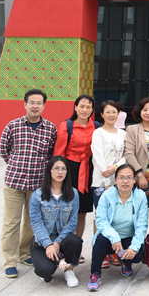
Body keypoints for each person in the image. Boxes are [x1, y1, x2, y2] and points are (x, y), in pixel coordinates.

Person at [0, 89, 57, 278]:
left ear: (44, 106)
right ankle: (10, 262)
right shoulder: (13, 125)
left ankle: (24, 254)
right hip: (14, 183)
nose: (35, 106)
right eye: (32, 102)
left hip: (37, 185)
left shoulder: (50, 128)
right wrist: (16, 164)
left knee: (32, 222)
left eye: (39, 103)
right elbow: (3, 149)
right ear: (25, 104)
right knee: (11, 223)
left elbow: (51, 154)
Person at [88, 164, 148, 291]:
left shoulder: (141, 197)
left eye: (129, 177)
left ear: (134, 180)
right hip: (110, 238)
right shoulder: (107, 195)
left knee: (138, 255)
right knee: (100, 241)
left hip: (128, 237)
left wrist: (134, 247)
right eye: (121, 178)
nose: (125, 181)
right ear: (115, 180)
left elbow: (142, 225)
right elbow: (101, 220)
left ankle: (125, 261)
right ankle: (95, 274)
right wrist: (114, 237)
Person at [29, 156, 82, 287]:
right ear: (49, 171)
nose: (60, 172)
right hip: (43, 240)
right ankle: (54, 263)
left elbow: (72, 222)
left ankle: (68, 270)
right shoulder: (37, 195)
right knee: (44, 270)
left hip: (63, 238)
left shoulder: (73, 194)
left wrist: (58, 241)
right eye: (56, 168)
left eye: (63, 169)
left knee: (75, 240)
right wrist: (48, 244)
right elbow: (36, 223)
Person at [54, 95, 98, 252]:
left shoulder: (96, 127)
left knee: (82, 212)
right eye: (82, 106)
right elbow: (58, 153)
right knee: (65, 210)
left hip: (88, 171)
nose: (84, 110)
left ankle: (75, 248)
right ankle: (61, 245)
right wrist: (58, 176)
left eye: (88, 107)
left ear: (92, 110)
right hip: (70, 170)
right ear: (75, 107)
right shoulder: (67, 126)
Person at [91, 100, 127, 269]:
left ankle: (114, 251)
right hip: (101, 182)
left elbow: (126, 155)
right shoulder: (98, 133)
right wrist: (106, 183)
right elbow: (98, 158)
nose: (112, 115)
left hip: (119, 182)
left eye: (114, 112)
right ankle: (102, 252)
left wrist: (115, 167)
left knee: (117, 218)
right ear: (102, 114)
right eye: (108, 112)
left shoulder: (122, 133)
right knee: (102, 218)